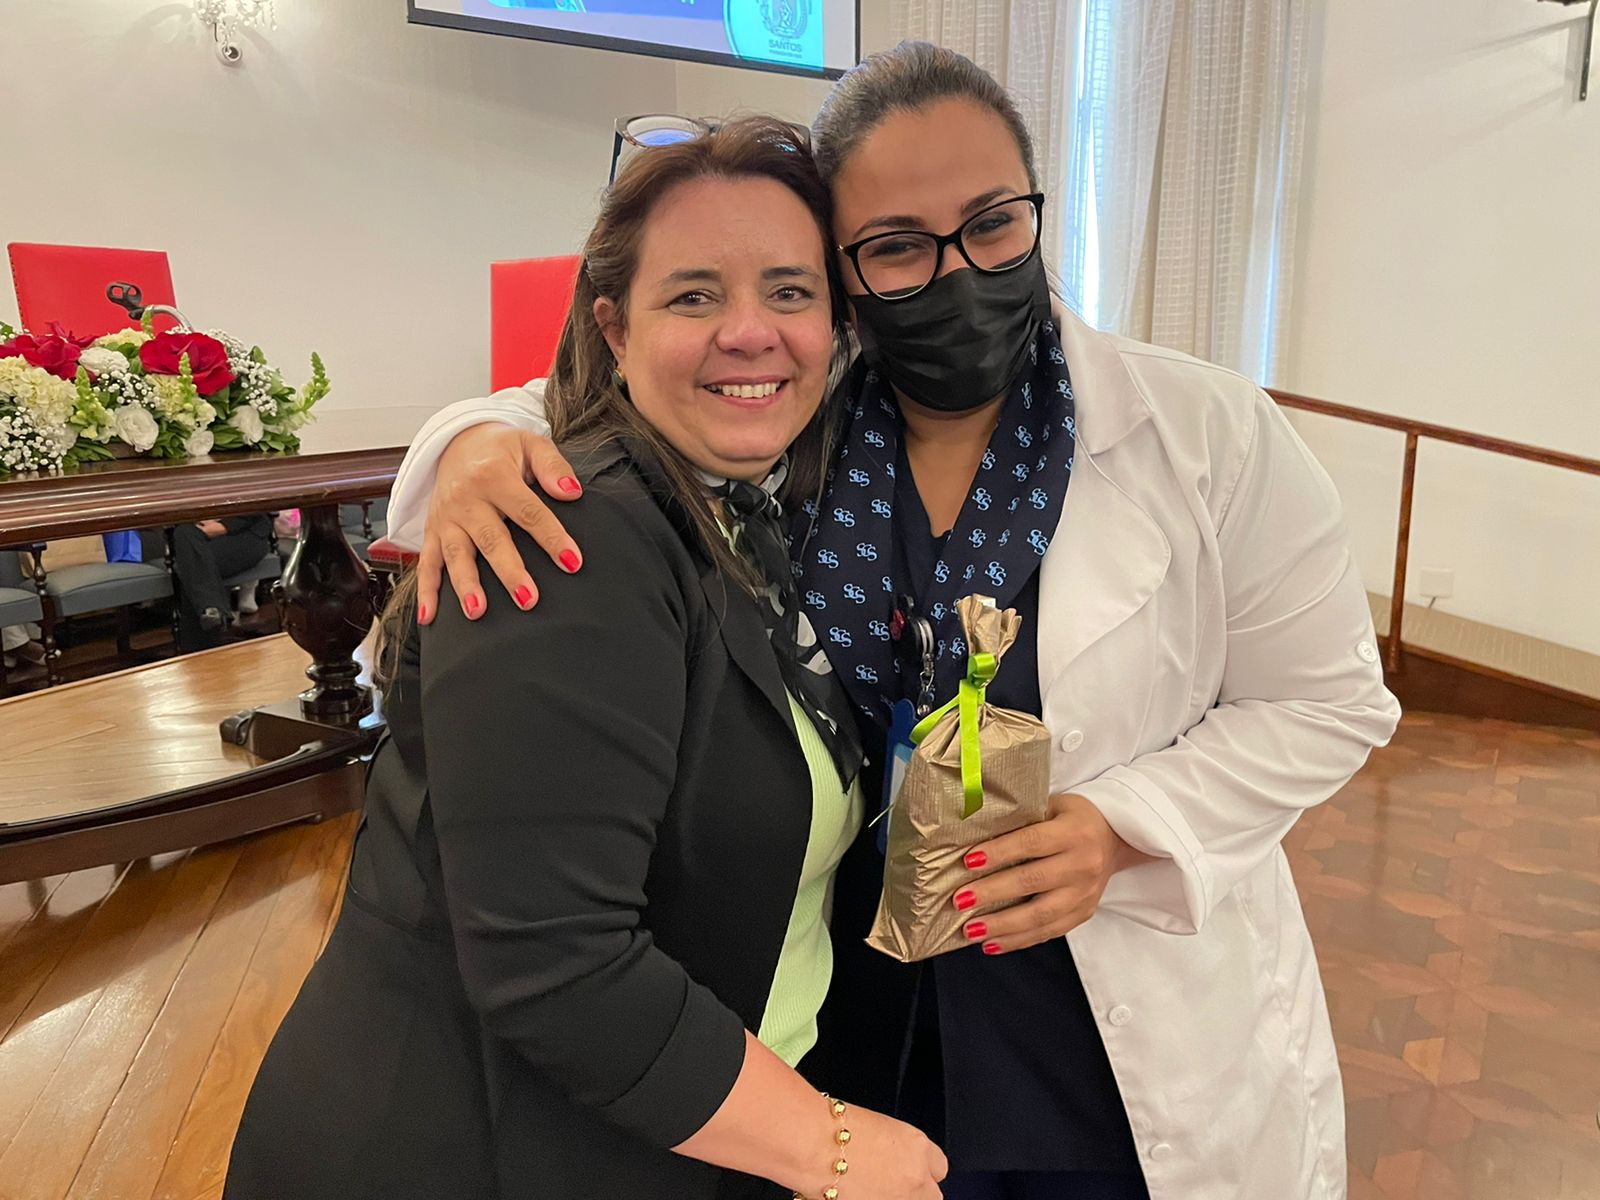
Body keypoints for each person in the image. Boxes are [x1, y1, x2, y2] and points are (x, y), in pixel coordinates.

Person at [384, 44, 1402, 1200]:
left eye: (992, 224)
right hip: (849, 1010)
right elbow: (600, 389)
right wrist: (472, 444)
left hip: (1099, 1010)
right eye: (898, 246)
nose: (958, 273)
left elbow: (1327, 702)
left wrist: (1124, 830)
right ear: (843, 271)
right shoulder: (799, 415)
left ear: (1035, 207)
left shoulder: (1206, 433)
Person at [225, 117, 946, 1200]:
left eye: (790, 292)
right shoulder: (570, 538)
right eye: (693, 295)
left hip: (670, 1120)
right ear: (613, 327)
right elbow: (555, 963)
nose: (750, 332)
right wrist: (829, 1146)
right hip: (479, 1146)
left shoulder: (755, 507)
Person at [139, 515, 272, 651]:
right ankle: (213, 612)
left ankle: (201, 640)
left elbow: (256, 508)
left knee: (190, 563)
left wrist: (224, 526)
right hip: (197, 534)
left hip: (244, 533)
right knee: (184, 537)